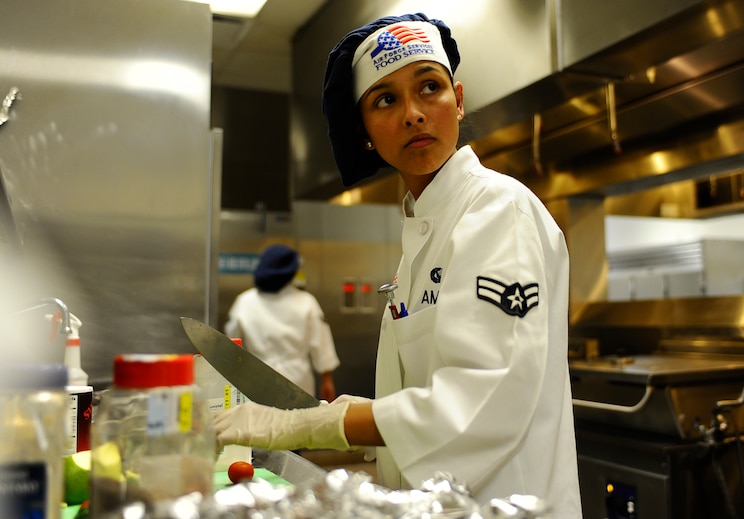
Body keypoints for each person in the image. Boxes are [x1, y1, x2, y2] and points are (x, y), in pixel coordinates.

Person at [215, 13, 582, 516]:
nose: (413, 113)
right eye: (385, 99)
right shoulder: (421, 237)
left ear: (459, 98)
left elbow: (482, 401)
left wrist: (314, 426)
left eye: (429, 87)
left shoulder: (499, 211)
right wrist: (348, 422)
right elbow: (422, 399)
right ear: (365, 131)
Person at [224, 244, 339, 402]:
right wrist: (327, 380)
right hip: (298, 382)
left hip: (257, 380)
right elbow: (321, 343)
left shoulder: (244, 302)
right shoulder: (306, 301)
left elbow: (231, 345)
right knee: (299, 424)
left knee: (258, 424)